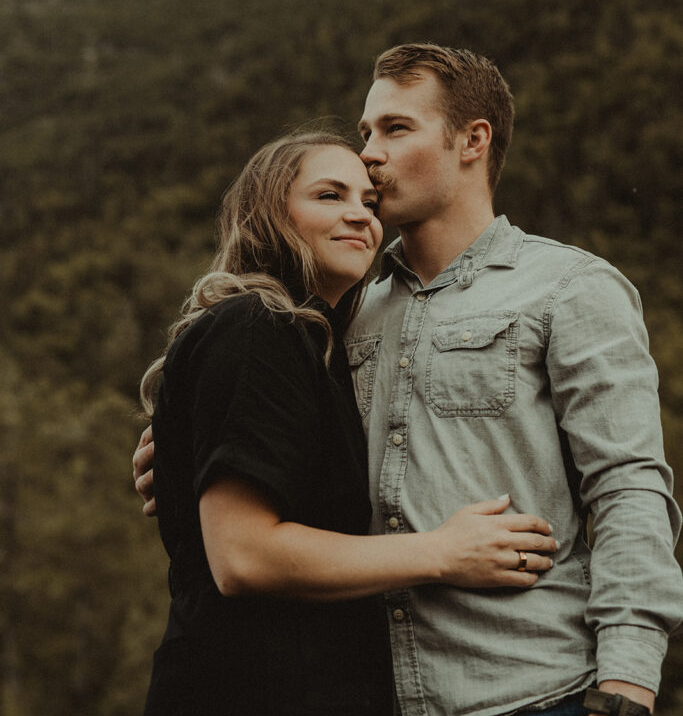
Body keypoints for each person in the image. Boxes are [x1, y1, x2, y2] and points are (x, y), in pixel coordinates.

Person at [135, 46, 683, 716]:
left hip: (533, 691)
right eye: (365, 132)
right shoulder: (334, 317)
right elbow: (274, 463)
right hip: (374, 695)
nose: (369, 152)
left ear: (471, 141)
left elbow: (626, 483)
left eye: (395, 129)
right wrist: (184, 452)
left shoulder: (568, 288)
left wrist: (628, 674)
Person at [138, 129, 558, 716]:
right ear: (269, 214)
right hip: (247, 690)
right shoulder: (258, 328)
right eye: (329, 196)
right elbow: (244, 557)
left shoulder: (318, 349)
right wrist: (442, 551)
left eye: (368, 202)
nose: (359, 216)